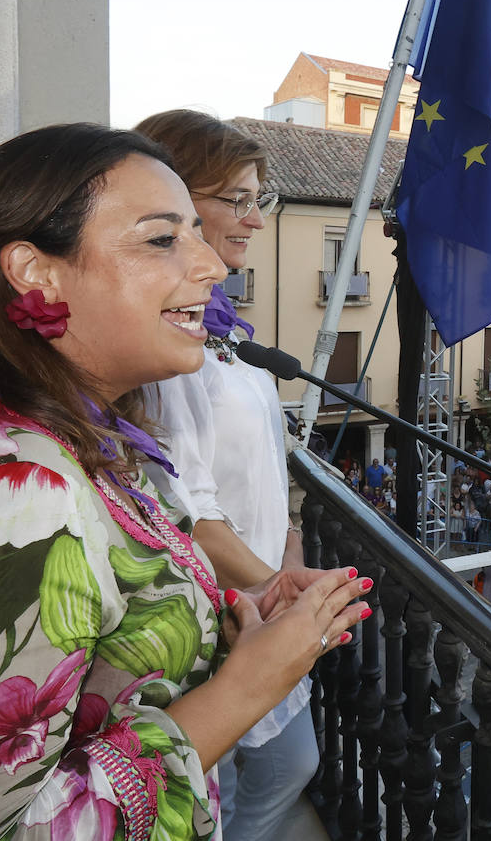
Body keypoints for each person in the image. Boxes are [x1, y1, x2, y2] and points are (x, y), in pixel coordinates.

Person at [0, 124, 371, 839]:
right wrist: (242, 690)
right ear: (36, 272)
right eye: (162, 239)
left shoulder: (80, 438)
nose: (210, 265)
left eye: (198, 234)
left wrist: (239, 618)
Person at [135, 110, 316, 839]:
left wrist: (290, 541)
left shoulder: (215, 330)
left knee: (279, 767)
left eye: (256, 201)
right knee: (231, 785)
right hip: (225, 618)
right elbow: (189, 512)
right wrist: (280, 588)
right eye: (237, 200)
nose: (256, 221)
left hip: (259, 595)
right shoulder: (169, 348)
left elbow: (257, 468)